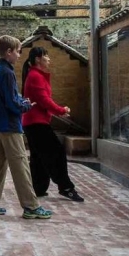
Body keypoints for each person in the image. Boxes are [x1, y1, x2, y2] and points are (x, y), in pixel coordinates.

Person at [0, 35, 52, 219]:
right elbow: (12, 102)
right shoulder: (8, 72)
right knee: (20, 166)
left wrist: (20, 101)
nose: (19, 55)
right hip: (9, 127)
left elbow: (7, 97)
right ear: (9, 52)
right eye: (18, 51)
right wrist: (26, 105)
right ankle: (31, 206)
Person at [21, 47, 85, 202]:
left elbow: (44, 100)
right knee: (57, 153)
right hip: (36, 123)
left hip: (33, 122)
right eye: (46, 56)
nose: (49, 59)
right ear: (38, 59)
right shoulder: (35, 76)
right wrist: (61, 110)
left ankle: (38, 188)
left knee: (39, 156)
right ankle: (66, 187)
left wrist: (59, 110)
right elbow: (44, 100)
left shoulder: (35, 75)